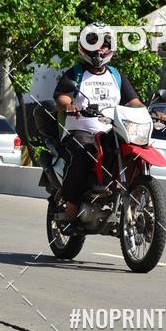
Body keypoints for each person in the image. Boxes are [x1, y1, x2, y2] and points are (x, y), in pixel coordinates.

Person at [53, 24, 145, 233]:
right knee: (82, 155)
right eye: (94, 44)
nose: (100, 50)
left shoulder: (116, 75)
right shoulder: (75, 73)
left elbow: (134, 102)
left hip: (111, 132)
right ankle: (70, 212)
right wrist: (69, 106)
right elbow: (62, 98)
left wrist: (147, 112)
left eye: (105, 45)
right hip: (81, 131)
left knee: (132, 153)